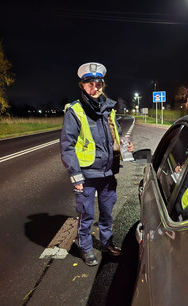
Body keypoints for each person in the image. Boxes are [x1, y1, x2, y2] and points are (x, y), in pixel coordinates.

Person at [60, 62, 134, 266]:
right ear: (82, 85)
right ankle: (85, 248)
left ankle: (107, 244)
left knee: (107, 214)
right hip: (86, 175)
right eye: (90, 84)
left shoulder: (108, 109)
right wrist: (76, 176)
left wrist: (125, 146)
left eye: (98, 84)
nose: (95, 88)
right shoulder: (75, 111)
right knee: (86, 215)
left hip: (108, 174)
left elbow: (116, 135)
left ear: (103, 85)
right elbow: (67, 146)